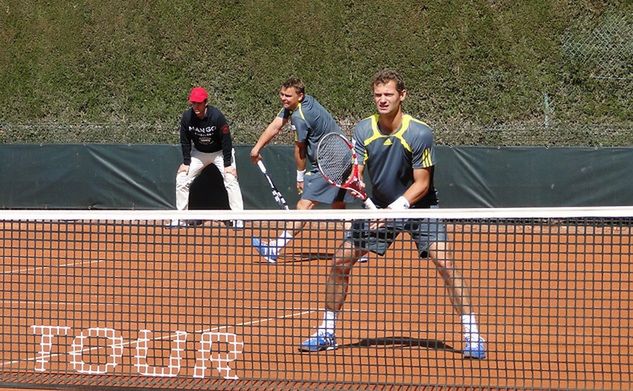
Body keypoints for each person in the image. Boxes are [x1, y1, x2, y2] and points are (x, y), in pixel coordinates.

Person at [298, 69, 486, 359]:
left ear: (402, 96)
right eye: (378, 95)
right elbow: (355, 169)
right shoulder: (363, 130)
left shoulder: (419, 132)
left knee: (445, 263)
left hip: (419, 207)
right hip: (380, 206)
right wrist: (362, 190)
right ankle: (326, 331)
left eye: (388, 94)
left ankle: (472, 334)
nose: (382, 100)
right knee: (340, 261)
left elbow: (422, 184)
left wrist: (395, 209)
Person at [250, 77, 367, 263]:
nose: (283, 98)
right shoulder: (304, 102)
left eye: (288, 96)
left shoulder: (300, 116)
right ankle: (356, 248)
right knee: (338, 205)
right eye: (281, 94)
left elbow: (300, 149)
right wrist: (257, 148)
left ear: (300, 96)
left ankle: (275, 248)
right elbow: (276, 124)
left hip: (330, 163)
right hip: (344, 156)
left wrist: (299, 176)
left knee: (304, 206)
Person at [168, 86, 244, 228]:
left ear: (205, 103)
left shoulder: (217, 117)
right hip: (199, 153)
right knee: (182, 178)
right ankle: (181, 219)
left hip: (220, 152)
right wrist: (186, 162)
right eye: (193, 103)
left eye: (199, 103)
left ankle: (238, 219)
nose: (196, 106)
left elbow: (227, 140)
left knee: (231, 179)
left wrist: (228, 164)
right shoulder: (186, 117)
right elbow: (184, 141)